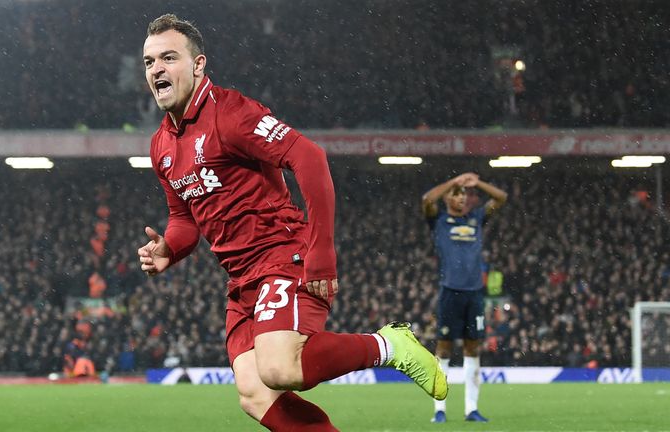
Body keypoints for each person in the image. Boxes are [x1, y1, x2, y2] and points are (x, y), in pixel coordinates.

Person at [136, 14, 447, 431]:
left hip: (282, 255)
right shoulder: (161, 145)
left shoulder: (232, 114)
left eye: (168, 57)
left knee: (280, 369)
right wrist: (168, 249)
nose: (156, 68)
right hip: (240, 279)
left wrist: (321, 252)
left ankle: (388, 346)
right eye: (148, 61)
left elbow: (309, 157)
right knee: (254, 393)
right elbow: (183, 218)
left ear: (198, 64)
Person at [422, 172, 507, 423]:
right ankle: (439, 410)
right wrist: (452, 182)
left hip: (474, 294)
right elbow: (427, 199)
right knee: (444, 349)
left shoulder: (476, 218)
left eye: (463, 195)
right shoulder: (439, 220)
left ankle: (471, 409)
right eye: (455, 195)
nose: (461, 199)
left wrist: (476, 183)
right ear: (448, 198)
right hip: (450, 291)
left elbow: (501, 198)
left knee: (473, 349)